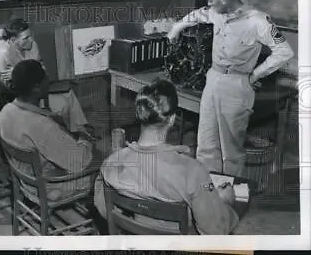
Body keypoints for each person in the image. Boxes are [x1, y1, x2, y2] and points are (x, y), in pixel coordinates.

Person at [167, 0, 294, 177]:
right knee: (206, 144)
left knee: (231, 150)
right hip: (213, 79)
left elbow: (284, 52)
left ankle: (228, 195)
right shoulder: (217, 12)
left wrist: (255, 75)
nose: (209, 5)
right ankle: (208, 192)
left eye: (211, 1)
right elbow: (199, 14)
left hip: (237, 85)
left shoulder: (257, 21)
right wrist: (176, 29)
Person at [94, 79, 239, 235]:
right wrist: (224, 202)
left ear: (140, 115)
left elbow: (103, 208)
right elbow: (216, 231)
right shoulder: (192, 171)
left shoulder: (112, 162)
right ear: (171, 119)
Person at [0, 59, 94, 201]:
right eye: (45, 77)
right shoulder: (41, 125)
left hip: (25, 181)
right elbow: (79, 162)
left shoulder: (6, 111)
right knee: (104, 167)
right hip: (48, 187)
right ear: (36, 88)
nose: (49, 80)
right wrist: (85, 138)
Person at [0, 18, 89, 134]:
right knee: (64, 102)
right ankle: (71, 134)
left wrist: (21, 70)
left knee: (69, 93)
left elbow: (43, 71)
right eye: (26, 38)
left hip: (38, 87)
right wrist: (33, 71)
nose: (31, 40)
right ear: (13, 40)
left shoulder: (32, 45)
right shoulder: (3, 57)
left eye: (30, 36)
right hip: (26, 100)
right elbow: (16, 89)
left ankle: (80, 131)